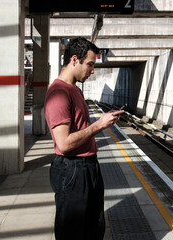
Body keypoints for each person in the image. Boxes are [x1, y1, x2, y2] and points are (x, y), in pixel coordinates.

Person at [44, 37, 123, 240]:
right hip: (72, 169)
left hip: (87, 167)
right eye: (90, 64)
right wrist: (99, 125)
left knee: (93, 228)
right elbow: (63, 143)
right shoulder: (59, 93)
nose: (92, 70)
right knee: (73, 232)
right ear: (74, 60)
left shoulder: (75, 90)